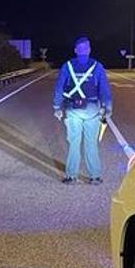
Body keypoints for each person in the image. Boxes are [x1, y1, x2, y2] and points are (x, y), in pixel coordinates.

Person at [53, 35, 112, 184]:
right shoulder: (97, 66)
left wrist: (57, 107)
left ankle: (71, 176)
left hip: (73, 109)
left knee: (74, 143)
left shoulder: (67, 66)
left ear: (75, 50)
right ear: (89, 50)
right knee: (91, 143)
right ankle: (95, 177)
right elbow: (104, 89)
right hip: (92, 110)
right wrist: (107, 107)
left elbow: (59, 88)